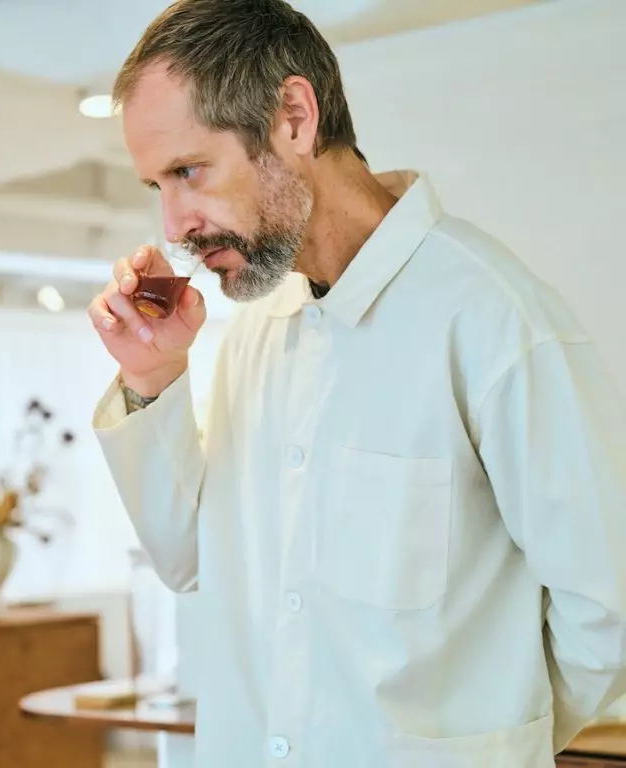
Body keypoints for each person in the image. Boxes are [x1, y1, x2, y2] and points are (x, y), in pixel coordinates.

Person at [87, 0, 626, 765]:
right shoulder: (255, 332)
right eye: (157, 186)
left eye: (189, 171)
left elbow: (610, 612)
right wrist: (152, 374)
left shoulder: (494, 319)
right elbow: (190, 563)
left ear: (294, 119)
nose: (175, 225)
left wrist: (484, 741)